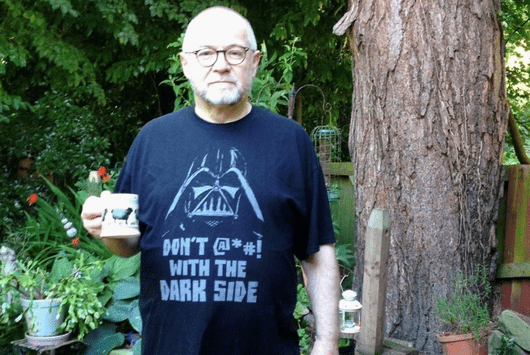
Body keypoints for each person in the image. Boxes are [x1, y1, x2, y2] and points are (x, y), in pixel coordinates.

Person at [81, 6, 340, 355]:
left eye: (235, 52)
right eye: (205, 53)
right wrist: (103, 227)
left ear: (255, 62)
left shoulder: (289, 141)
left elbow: (318, 250)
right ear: (186, 63)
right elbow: (126, 243)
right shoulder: (152, 140)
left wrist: (326, 343)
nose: (221, 64)